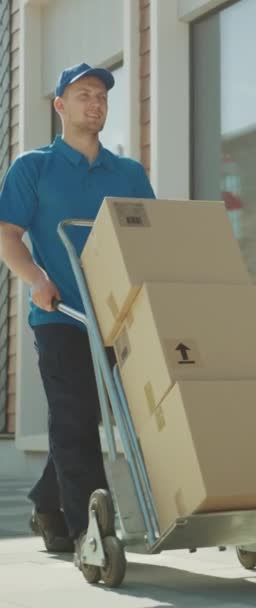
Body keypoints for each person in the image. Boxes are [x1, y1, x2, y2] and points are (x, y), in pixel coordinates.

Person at [0, 63, 155, 553]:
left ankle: (49, 504)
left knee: (96, 417)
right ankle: (88, 529)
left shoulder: (128, 172)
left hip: (120, 317)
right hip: (61, 316)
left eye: (103, 96)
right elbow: (7, 235)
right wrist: (37, 279)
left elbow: (150, 236)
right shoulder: (33, 167)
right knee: (74, 416)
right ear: (60, 106)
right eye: (84, 94)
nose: (96, 103)